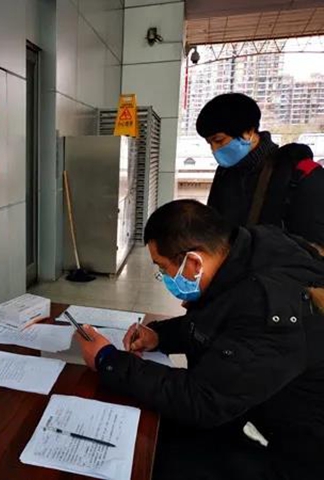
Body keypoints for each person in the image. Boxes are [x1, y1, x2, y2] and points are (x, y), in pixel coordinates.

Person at [76, 200, 324, 480]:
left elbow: (204, 399)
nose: (164, 277)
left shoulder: (269, 307)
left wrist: (108, 359)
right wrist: (159, 336)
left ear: (193, 262)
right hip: (259, 408)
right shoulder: (247, 255)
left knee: (160, 458)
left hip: (302, 458)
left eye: (163, 268)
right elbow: (220, 322)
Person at [196, 93, 324, 249]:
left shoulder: (299, 174)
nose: (214, 150)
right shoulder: (225, 173)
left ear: (248, 132)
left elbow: (315, 250)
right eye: (210, 143)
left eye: (219, 140)